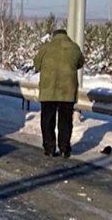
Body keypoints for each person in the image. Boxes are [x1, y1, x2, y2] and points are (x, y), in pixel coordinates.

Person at [32, 29, 84, 157]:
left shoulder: (46, 47)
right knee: (65, 120)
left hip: (48, 89)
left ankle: (49, 148)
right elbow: (80, 63)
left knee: (47, 119)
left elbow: (36, 65)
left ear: (54, 36)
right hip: (67, 91)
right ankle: (64, 148)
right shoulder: (74, 48)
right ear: (66, 36)